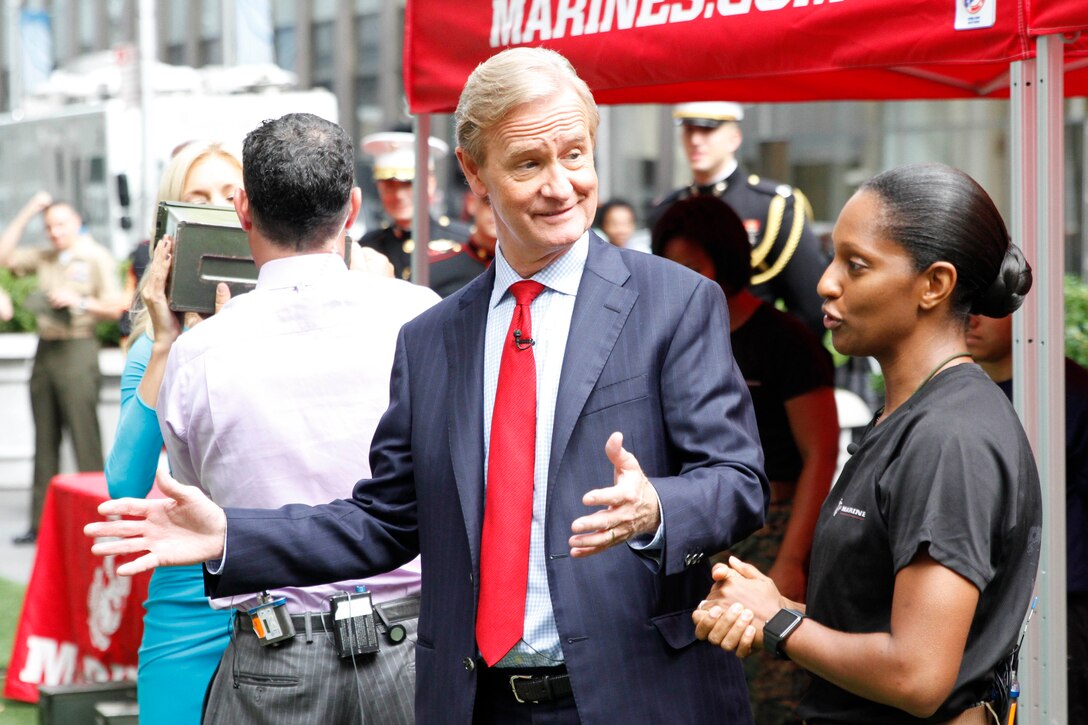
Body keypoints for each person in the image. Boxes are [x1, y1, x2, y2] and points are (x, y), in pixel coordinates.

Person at [87, 47, 768, 724]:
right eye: (530, 163)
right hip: (476, 702)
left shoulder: (674, 304)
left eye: (575, 155)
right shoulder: (431, 335)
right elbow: (386, 520)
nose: (561, 185)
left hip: (638, 695)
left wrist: (657, 507)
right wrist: (233, 533)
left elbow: (738, 481)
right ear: (475, 172)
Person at [693, 163, 1041, 724]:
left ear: (935, 284)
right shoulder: (917, 415)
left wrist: (780, 625)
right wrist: (771, 606)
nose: (826, 282)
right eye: (833, 259)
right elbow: (878, 624)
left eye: (857, 265)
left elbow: (917, 674)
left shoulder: (949, 436)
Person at [159, 113, 438, 724]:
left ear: (243, 209)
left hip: (275, 653)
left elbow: (194, 492)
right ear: (354, 207)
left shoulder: (198, 354)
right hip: (408, 644)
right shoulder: (419, 316)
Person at [654, 195, 839, 724]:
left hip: (771, 529)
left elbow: (820, 453)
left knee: (768, 693)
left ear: (726, 261)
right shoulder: (666, 338)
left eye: (693, 267)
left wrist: (792, 557)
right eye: (670, 267)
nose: (680, 280)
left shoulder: (784, 340)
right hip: (690, 537)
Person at [104, 140, 241, 725]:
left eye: (230, 196)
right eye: (198, 199)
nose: (217, 211)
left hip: (289, 595)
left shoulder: (292, 328)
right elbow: (124, 487)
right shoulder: (152, 347)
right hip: (187, 603)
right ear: (172, 227)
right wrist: (165, 344)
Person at [966, 312, 1088, 724]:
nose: (972, 317)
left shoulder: (1070, 394)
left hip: (1060, 604)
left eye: (990, 304)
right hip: (976, 600)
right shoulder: (955, 393)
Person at [0, 193, 126, 544]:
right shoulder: (46, 256)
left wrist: (81, 301)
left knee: (84, 437)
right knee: (44, 439)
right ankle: (40, 525)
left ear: (76, 224)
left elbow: (119, 305)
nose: (55, 233)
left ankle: (95, 524)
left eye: (61, 225)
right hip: (46, 349)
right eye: (49, 227)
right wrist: (27, 210)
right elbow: (3, 256)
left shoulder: (95, 255)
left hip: (78, 346)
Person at [649, 102, 827, 337]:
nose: (695, 140)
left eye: (707, 130)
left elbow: (810, 308)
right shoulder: (667, 208)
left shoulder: (772, 205)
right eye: (689, 130)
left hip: (754, 353)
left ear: (735, 138)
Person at [359, 130, 470, 281]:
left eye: (407, 184)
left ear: (430, 184)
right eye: (389, 186)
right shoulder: (368, 245)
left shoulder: (463, 240)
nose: (398, 195)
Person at [428, 191, 497, 297]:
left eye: (502, 204)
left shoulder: (526, 270)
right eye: (487, 202)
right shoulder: (436, 270)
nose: (495, 211)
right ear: (471, 203)